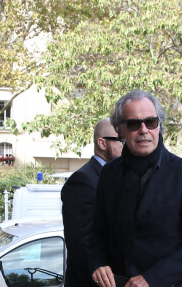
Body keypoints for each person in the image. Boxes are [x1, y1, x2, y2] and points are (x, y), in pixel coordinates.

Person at [90, 90, 182, 287]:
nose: (143, 130)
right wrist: (98, 263)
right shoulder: (109, 174)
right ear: (120, 129)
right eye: (133, 124)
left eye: (150, 122)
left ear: (159, 126)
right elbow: (97, 232)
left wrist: (153, 278)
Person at [61, 118, 124, 287]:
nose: (126, 145)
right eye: (121, 140)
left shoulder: (118, 176)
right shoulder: (83, 180)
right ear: (102, 143)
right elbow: (81, 243)